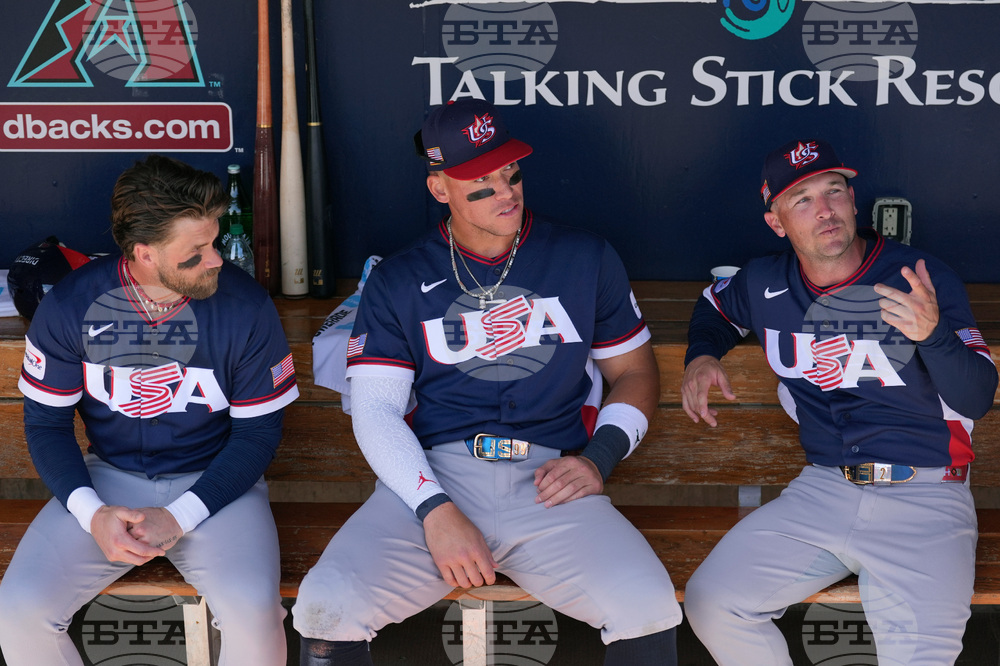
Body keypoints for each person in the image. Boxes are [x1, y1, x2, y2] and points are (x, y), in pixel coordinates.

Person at [292, 98, 682, 665]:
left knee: (647, 606)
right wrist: (436, 511)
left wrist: (598, 459)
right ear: (439, 189)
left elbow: (634, 371)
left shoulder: (582, 256)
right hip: (433, 479)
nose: (506, 192)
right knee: (327, 606)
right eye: (481, 182)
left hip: (549, 481)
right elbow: (376, 410)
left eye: (512, 174)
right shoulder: (401, 278)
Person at [681, 138, 998, 665]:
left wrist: (933, 333)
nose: (824, 209)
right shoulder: (764, 282)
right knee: (714, 602)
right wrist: (701, 356)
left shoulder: (916, 276)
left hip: (926, 499)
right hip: (823, 491)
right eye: (802, 199)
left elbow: (978, 396)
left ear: (854, 202)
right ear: (777, 222)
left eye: (835, 191)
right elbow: (715, 306)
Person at [0, 155, 299, 665]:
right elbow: (46, 424)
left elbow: (257, 435)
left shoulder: (244, 306)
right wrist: (91, 514)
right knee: (19, 608)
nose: (216, 259)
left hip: (218, 484)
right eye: (196, 251)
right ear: (144, 253)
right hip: (109, 478)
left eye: (214, 239)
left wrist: (179, 516)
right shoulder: (73, 303)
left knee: (253, 610)